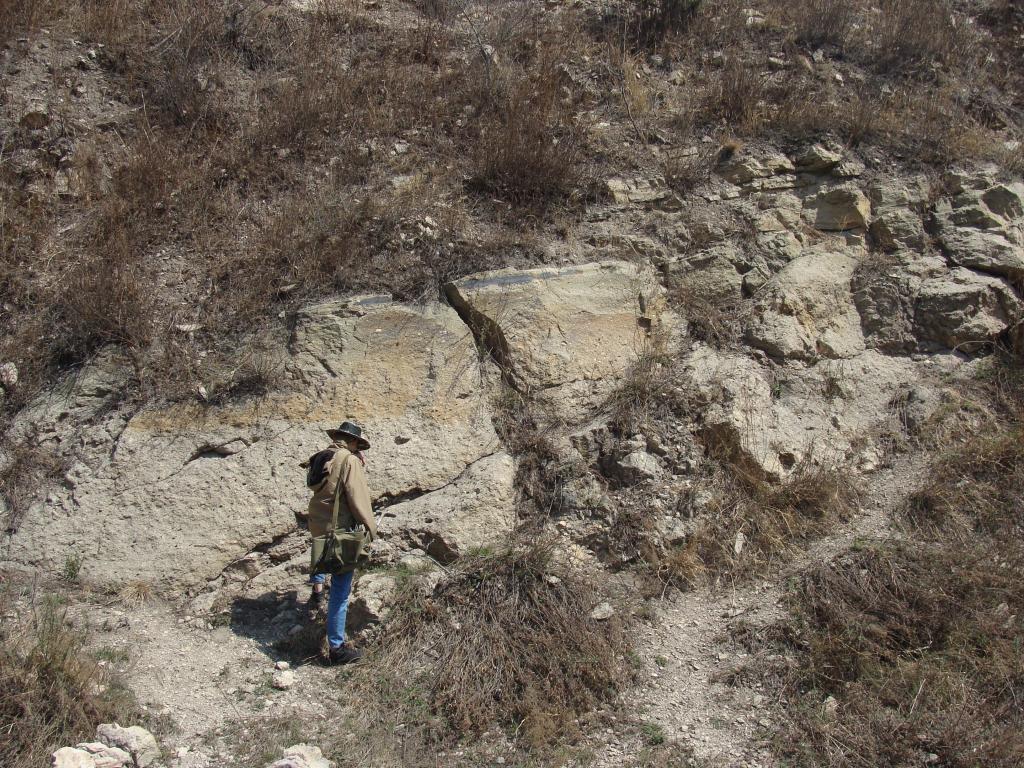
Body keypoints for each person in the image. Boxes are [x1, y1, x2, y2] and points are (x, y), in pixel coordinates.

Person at [302, 420, 376, 665]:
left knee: (322, 561)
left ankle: (316, 590)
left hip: (319, 525)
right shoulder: (349, 460)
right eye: (357, 445)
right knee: (341, 590)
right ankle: (337, 648)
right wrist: (371, 527)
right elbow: (357, 497)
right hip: (340, 529)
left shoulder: (321, 457)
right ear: (352, 441)